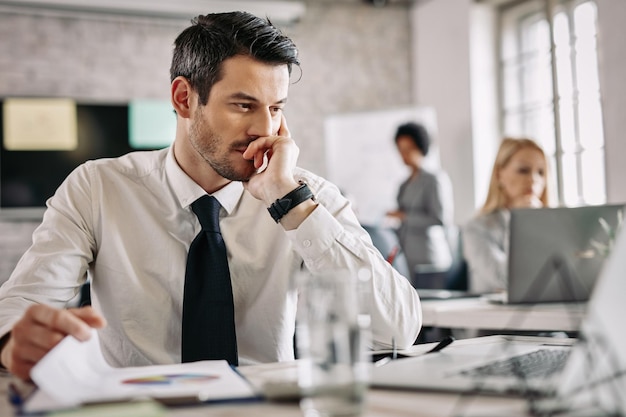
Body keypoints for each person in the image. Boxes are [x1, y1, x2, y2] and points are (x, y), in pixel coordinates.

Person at [0, 12, 421, 381]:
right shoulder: (97, 188)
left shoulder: (306, 195)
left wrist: (290, 202)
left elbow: (397, 330)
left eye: (276, 108)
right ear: (184, 99)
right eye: (243, 105)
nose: (265, 128)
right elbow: (19, 304)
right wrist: (13, 340)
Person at [462, 137, 551, 294]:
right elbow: (505, 279)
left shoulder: (552, 224)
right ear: (499, 175)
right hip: (492, 316)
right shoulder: (475, 228)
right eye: (523, 170)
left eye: (541, 172)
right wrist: (521, 222)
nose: (533, 179)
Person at [386, 122, 455, 283]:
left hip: (430, 259)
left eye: (408, 149)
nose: (404, 155)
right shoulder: (404, 184)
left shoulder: (435, 179)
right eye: (400, 150)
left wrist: (404, 216)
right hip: (407, 259)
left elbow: (441, 219)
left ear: (420, 147)